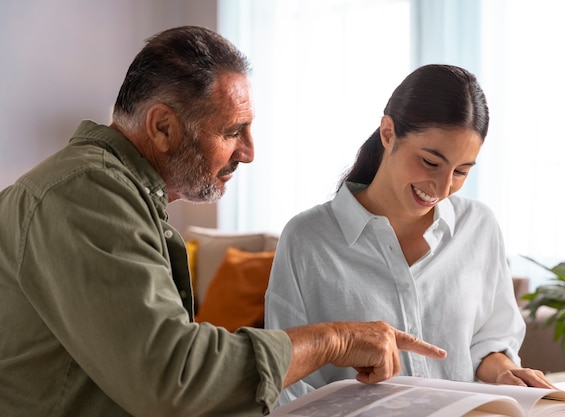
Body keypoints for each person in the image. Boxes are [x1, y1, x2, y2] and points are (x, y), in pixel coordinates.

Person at [0, 26, 447, 417]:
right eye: (233, 131)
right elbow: (174, 379)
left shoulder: (120, 196)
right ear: (162, 127)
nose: (249, 152)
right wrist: (334, 340)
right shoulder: (86, 195)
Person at [264, 64, 555, 405]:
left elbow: (486, 343)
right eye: (431, 162)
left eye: (461, 171)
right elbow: (287, 381)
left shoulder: (480, 226)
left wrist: (503, 370)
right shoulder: (308, 239)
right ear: (388, 133)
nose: (443, 187)